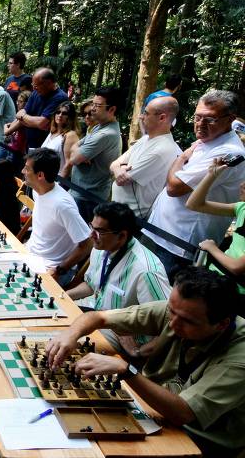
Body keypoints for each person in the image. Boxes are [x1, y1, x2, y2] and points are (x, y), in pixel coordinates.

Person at [46, 266, 245, 458]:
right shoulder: (182, 311)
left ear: (222, 324)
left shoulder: (239, 358)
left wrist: (127, 370)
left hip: (198, 439)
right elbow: (98, 317)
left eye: (186, 321)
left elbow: (184, 413)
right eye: (171, 311)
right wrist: (70, 334)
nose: (172, 324)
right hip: (151, 408)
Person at [142, 90, 245, 277]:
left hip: (179, 242)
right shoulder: (207, 141)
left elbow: (174, 187)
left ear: (230, 119)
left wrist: (180, 158)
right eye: (197, 117)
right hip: (161, 231)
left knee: (160, 296)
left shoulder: (229, 152)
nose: (200, 124)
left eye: (210, 119)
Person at [65, 202, 171, 351]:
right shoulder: (101, 247)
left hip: (124, 337)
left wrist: (139, 352)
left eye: (99, 231)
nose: (91, 235)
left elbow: (169, 324)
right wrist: (64, 296)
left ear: (122, 236)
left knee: (70, 349)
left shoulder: (146, 271)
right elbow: (91, 285)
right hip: (99, 317)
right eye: (92, 227)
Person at [23, 148, 92, 285]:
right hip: (30, 257)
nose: (22, 172)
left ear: (40, 175)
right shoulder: (38, 192)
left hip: (50, 269)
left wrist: (60, 269)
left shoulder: (62, 205)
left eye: (26, 169)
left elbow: (87, 243)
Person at [111, 97, 181, 218]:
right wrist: (120, 167)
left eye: (146, 113)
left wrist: (119, 167)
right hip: (117, 209)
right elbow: (113, 164)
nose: (141, 117)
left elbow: (123, 180)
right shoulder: (145, 139)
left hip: (130, 216)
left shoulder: (162, 149)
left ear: (162, 118)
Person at [186, 158, 245, 295]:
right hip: (216, 277)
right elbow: (194, 204)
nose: (242, 185)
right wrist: (212, 174)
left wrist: (211, 247)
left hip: (234, 290)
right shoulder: (242, 208)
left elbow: (237, 267)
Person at [66, 86, 123, 223]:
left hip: (87, 196)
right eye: (93, 104)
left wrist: (78, 152)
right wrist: (78, 151)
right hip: (79, 191)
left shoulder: (105, 134)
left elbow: (73, 158)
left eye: (98, 105)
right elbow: (74, 147)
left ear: (112, 109)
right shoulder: (98, 126)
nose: (92, 108)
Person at [5, 67, 68, 150]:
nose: (34, 88)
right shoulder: (36, 93)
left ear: (48, 83)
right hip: (30, 144)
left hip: (46, 147)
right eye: (33, 85)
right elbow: (22, 113)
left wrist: (23, 117)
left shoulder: (59, 97)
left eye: (36, 85)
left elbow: (41, 123)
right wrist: (24, 119)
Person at [41, 101, 81, 178]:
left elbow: (69, 163)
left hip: (55, 179)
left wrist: (59, 184)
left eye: (64, 113)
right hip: (42, 177)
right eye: (58, 112)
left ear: (70, 117)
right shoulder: (52, 132)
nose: (60, 115)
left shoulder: (70, 135)